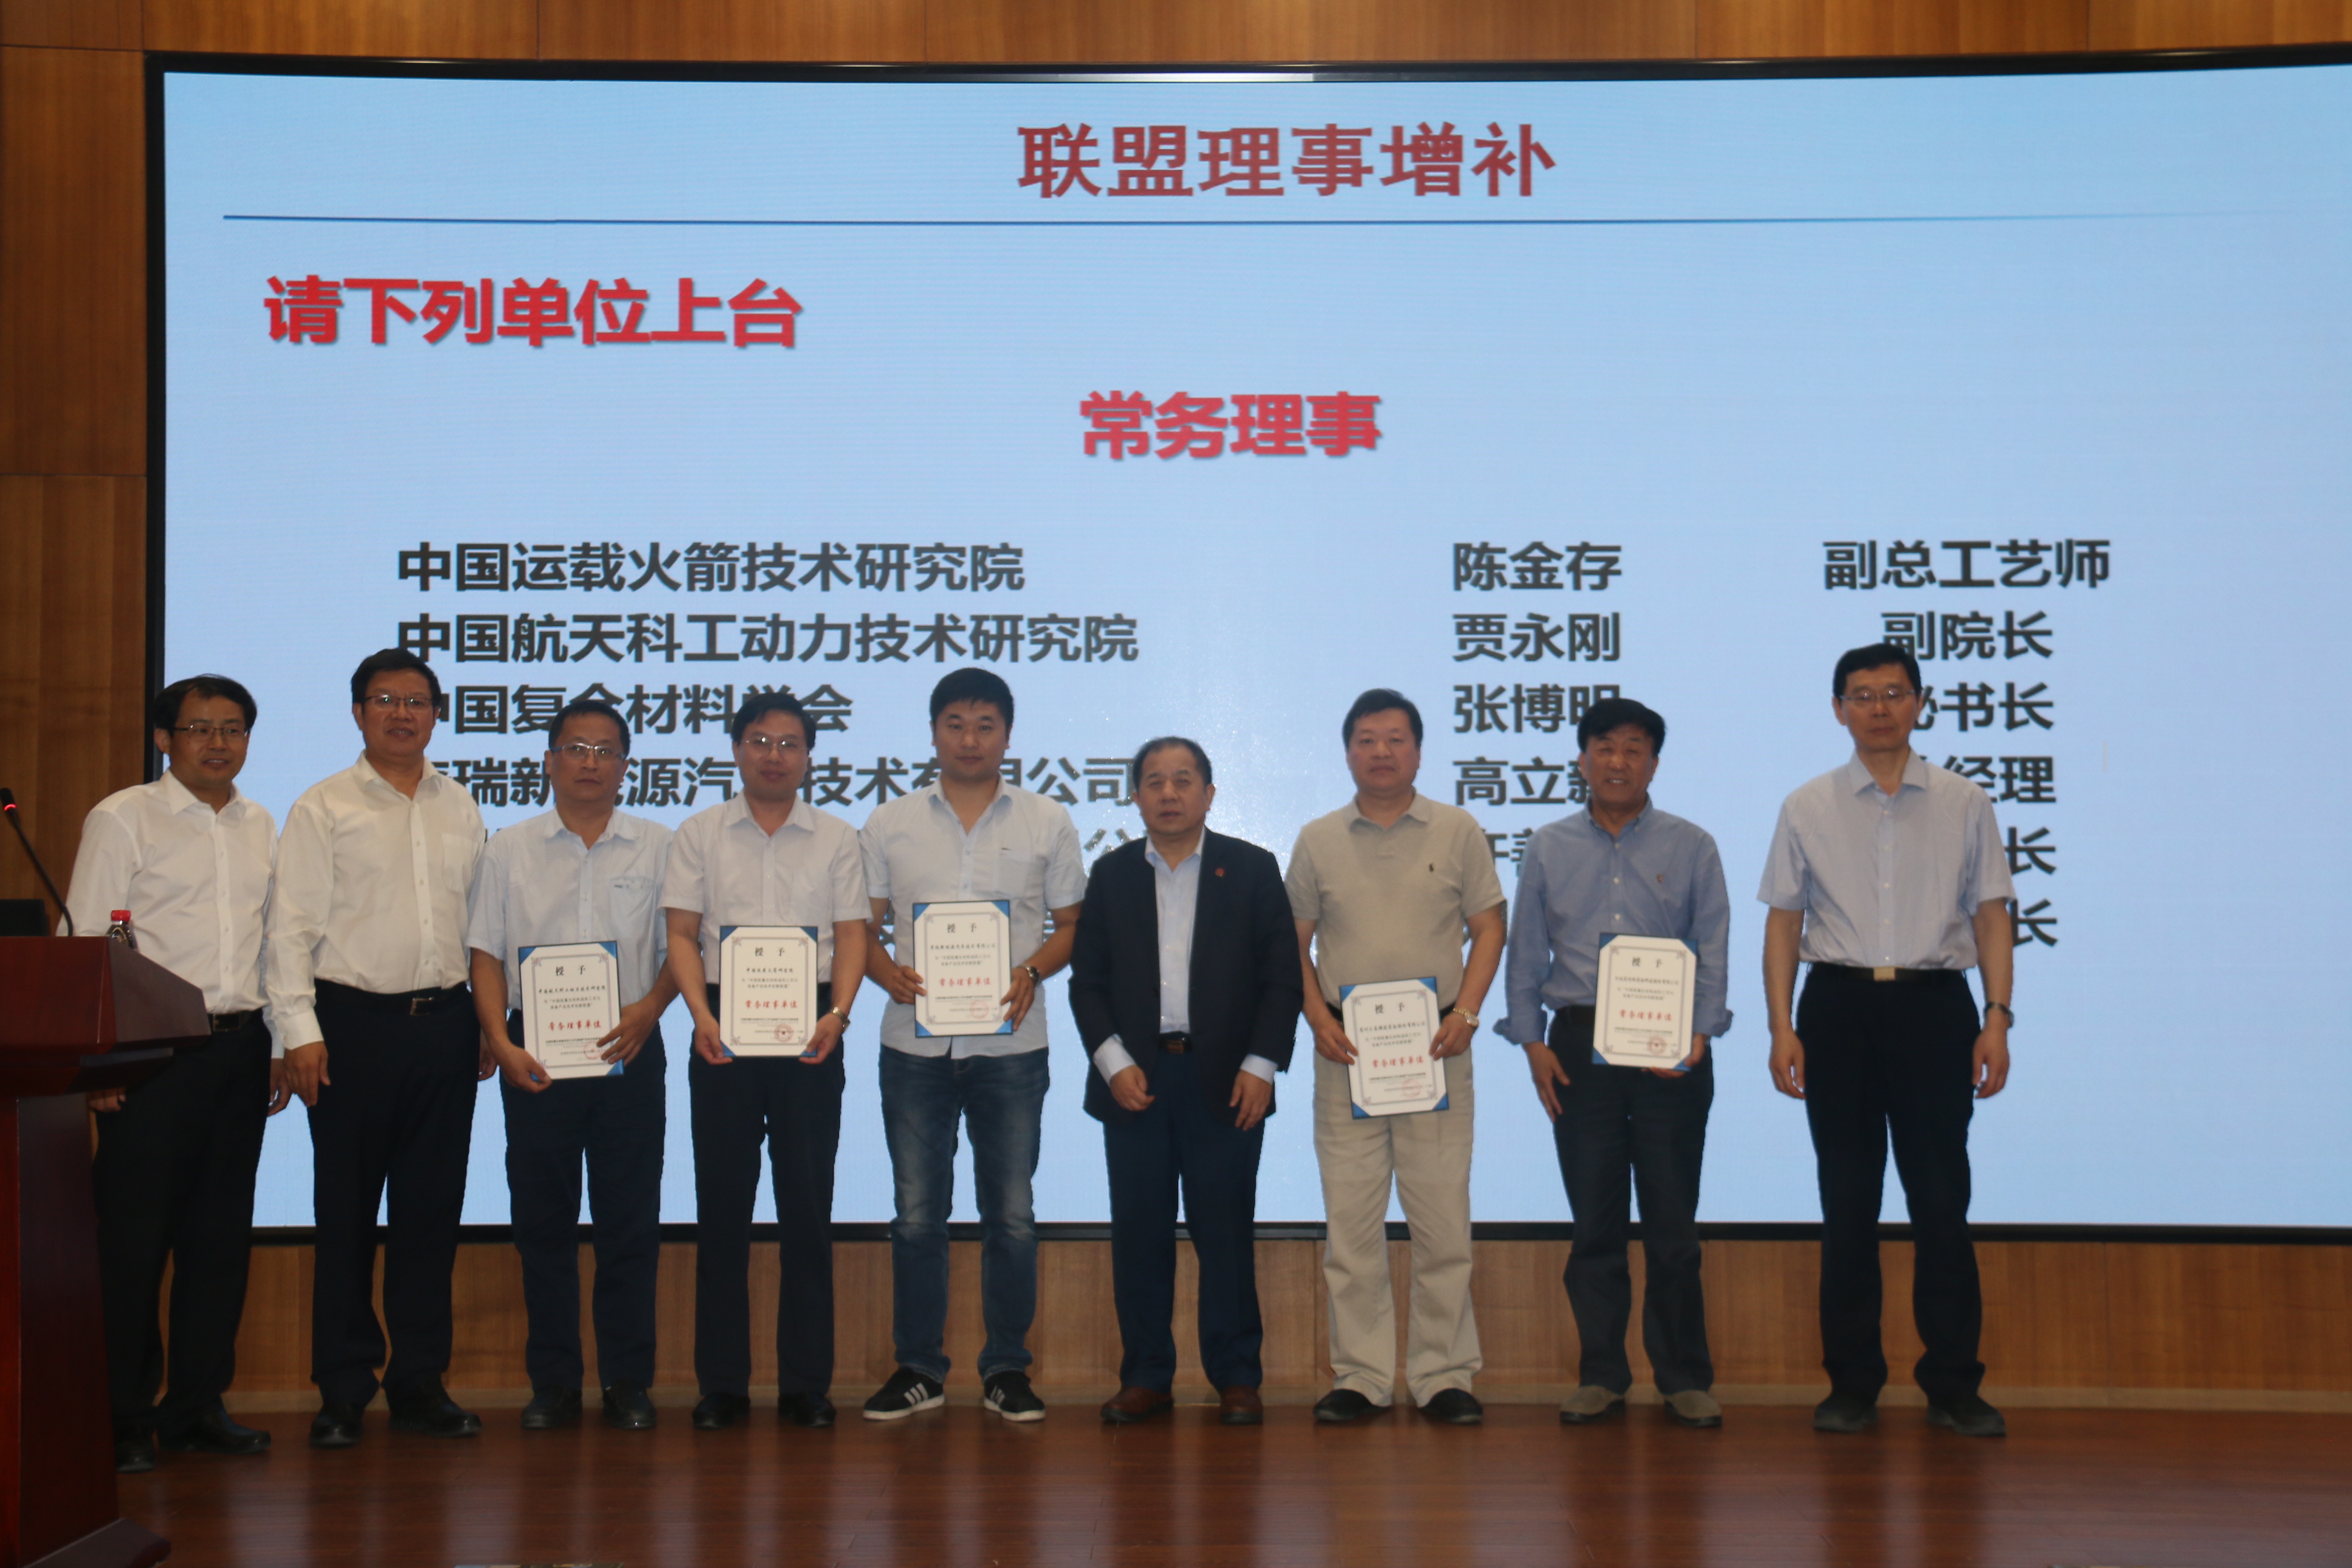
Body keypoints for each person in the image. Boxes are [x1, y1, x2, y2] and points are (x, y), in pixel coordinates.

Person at [1759, 642, 2016, 1440]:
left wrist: (1997, 1016)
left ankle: (1954, 1383)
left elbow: (1992, 914)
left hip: (1936, 1009)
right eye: (1863, 694)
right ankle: (1852, 1382)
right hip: (1837, 1008)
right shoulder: (1806, 804)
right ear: (1839, 708)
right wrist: (1781, 1024)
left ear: (1920, 703)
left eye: (1895, 692)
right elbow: (1784, 922)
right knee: (1847, 1201)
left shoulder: (1966, 801)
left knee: (1941, 1200)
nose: (1879, 707)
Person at [269, 648, 493, 1448]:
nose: (403, 713)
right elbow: (288, 928)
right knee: (347, 1214)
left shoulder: (459, 803)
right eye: (386, 699)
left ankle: (419, 1380)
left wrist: (487, 1021)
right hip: (351, 1028)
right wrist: (299, 1032)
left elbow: (482, 926)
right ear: (359, 712)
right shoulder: (323, 805)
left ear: (437, 714)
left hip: (446, 1026)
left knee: (431, 1214)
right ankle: (342, 1387)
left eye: (418, 700)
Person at [66, 674, 286, 1474]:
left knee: (218, 1239)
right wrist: (97, 1060)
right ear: (165, 738)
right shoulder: (124, 817)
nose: (218, 743)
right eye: (200, 728)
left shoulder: (261, 823)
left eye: (233, 728)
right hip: (151, 1056)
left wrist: (276, 1041)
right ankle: (121, 1414)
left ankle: (195, 1407)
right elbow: (86, 941)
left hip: (237, 1048)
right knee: (132, 1243)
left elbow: (271, 943)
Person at [1497, 698, 1732, 1429]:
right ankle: (1601, 1373)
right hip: (1578, 1048)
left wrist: (1700, 1033)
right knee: (1595, 1220)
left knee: (1672, 1223)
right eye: (1604, 747)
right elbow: (1525, 950)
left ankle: (1683, 1376)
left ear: (1654, 763)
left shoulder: (1693, 844)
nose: (1618, 761)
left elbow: (1713, 945)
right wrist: (1532, 1042)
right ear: (1582, 760)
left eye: (1634, 748)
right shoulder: (1548, 845)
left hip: (1671, 1053)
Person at [858, 667, 1084, 1423]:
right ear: (933, 732)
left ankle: (1007, 1369)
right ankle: (918, 1367)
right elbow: (862, 927)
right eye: (955, 723)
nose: (970, 738)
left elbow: (1072, 925)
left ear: (1007, 735)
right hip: (913, 1049)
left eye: (986, 724)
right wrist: (885, 972)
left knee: (1011, 1216)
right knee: (917, 1215)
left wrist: (1031, 970)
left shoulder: (1046, 819)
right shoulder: (889, 822)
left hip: (1012, 1048)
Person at [1068, 738, 1302, 1427]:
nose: (1168, 793)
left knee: (1225, 1232)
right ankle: (1146, 1375)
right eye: (1154, 781)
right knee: (1139, 1233)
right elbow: (1088, 983)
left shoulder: (1252, 868)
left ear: (1209, 792)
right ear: (1135, 795)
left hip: (1227, 1079)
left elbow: (1282, 978)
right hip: (1135, 1079)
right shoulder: (1111, 874)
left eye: (1183, 779)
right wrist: (1112, 1061)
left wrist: (1262, 1065)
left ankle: (1237, 1376)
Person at [1289, 688, 1506, 1426]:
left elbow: (1489, 926)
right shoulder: (1318, 838)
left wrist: (1467, 1012)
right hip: (1345, 1051)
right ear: (1348, 751)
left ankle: (1444, 1374)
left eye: (1395, 739)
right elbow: (1293, 941)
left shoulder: (1459, 828)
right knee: (1351, 1226)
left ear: (1418, 749)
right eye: (1366, 739)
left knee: (1442, 1220)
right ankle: (1362, 1375)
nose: (1380, 751)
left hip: (1437, 1047)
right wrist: (1315, 1015)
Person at [467, 699, 676, 1433]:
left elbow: (681, 949)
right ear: (549, 759)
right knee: (543, 1222)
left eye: (606, 750)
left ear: (626, 766)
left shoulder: (660, 846)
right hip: (535, 1055)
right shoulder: (509, 848)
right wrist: (498, 1040)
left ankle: (628, 1379)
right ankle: (553, 1381)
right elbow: (485, 954)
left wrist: (650, 1009)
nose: (591, 762)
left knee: (630, 1221)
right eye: (576, 747)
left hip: (630, 1045)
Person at [662, 690, 868, 1431]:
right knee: (722, 1207)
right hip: (723, 1029)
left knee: (807, 1207)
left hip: (812, 1029)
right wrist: (700, 1015)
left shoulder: (837, 837)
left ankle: (806, 1382)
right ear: (736, 748)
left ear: (809, 756)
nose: (773, 755)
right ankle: (722, 1383)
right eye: (759, 740)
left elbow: (852, 934)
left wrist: (838, 1015)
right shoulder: (699, 833)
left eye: (788, 743)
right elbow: (682, 933)